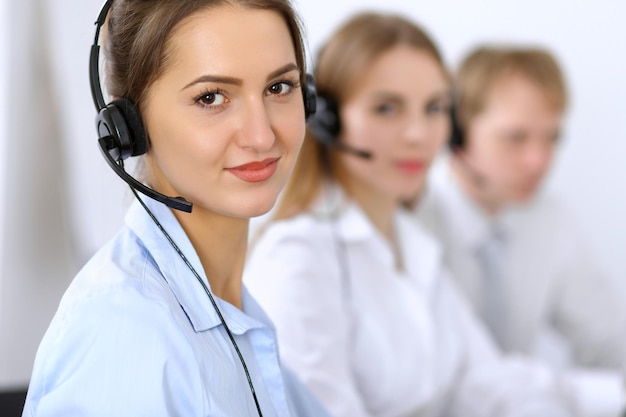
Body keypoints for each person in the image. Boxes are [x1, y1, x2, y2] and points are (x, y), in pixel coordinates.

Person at [244, 11, 620, 417]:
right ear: (326, 119)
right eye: (388, 108)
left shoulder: (413, 243)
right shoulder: (299, 259)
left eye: (434, 108)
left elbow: (486, 382)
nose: (418, 134)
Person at [22, 1, 331, 416]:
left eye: (279, 87)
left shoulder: (231, 312)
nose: (261, 135)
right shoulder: (124, 338)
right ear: (130, 125)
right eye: (211, 97)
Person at [416, 45, 626, 409]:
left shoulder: (552, 220)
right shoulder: (413, 218)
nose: (539, 161)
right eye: (516, 138)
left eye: (552, 138)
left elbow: (610, 341)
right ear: (455, 132)